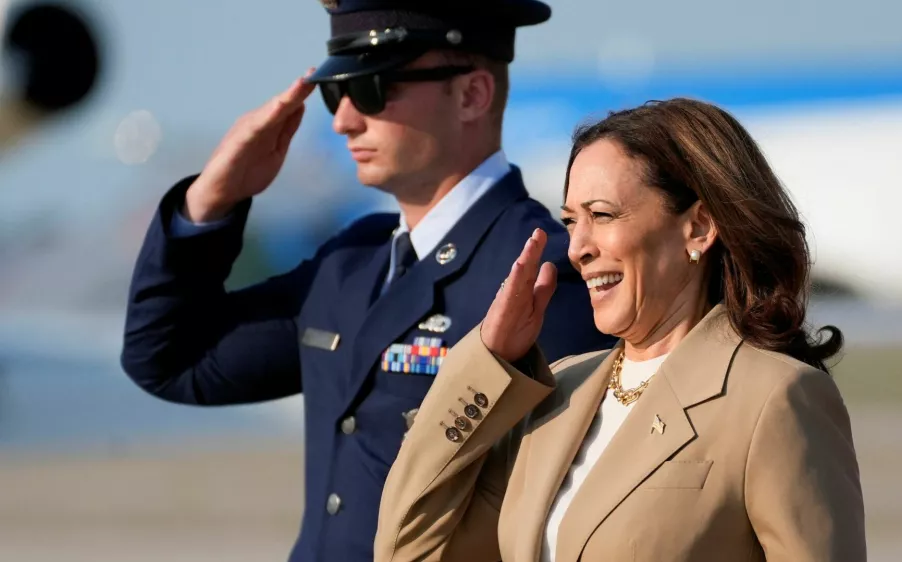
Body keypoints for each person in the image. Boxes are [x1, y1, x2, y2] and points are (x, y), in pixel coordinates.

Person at [119, 1, 615, 560]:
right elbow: (167, 359)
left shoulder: (543, 277)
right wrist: (211, 199)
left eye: (374, 89)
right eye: (337, 93)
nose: (343, 120)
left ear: (472, 94)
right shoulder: (350, 265)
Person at [373, 98, 867, 562]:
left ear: (698, 227)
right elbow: (408, 550)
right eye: (571, 221)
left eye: (602, 216)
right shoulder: (558, 394)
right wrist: (487, 364)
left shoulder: (774, 398)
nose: (576, 248)